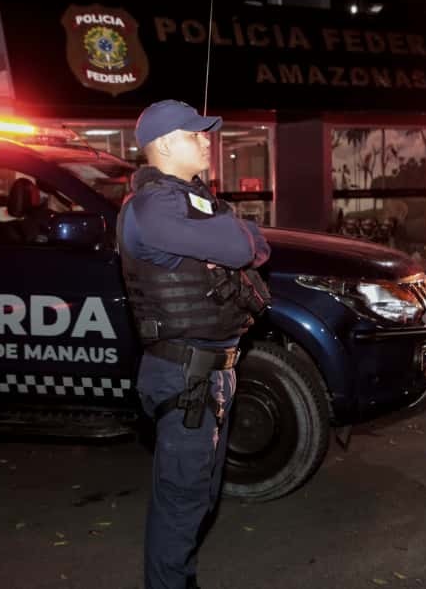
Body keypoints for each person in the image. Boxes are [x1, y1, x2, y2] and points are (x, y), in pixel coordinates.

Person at [118, 99, 271, 589]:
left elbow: (256, 243)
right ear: (164, 145)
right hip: (186, 376)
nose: (207, 140)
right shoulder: (152, 207)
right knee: (182, 503)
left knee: (199, 498)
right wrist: (235, 233)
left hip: (209, 375)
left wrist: (235, 232)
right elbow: (242, 245)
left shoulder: (189, 200)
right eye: (194, 134)